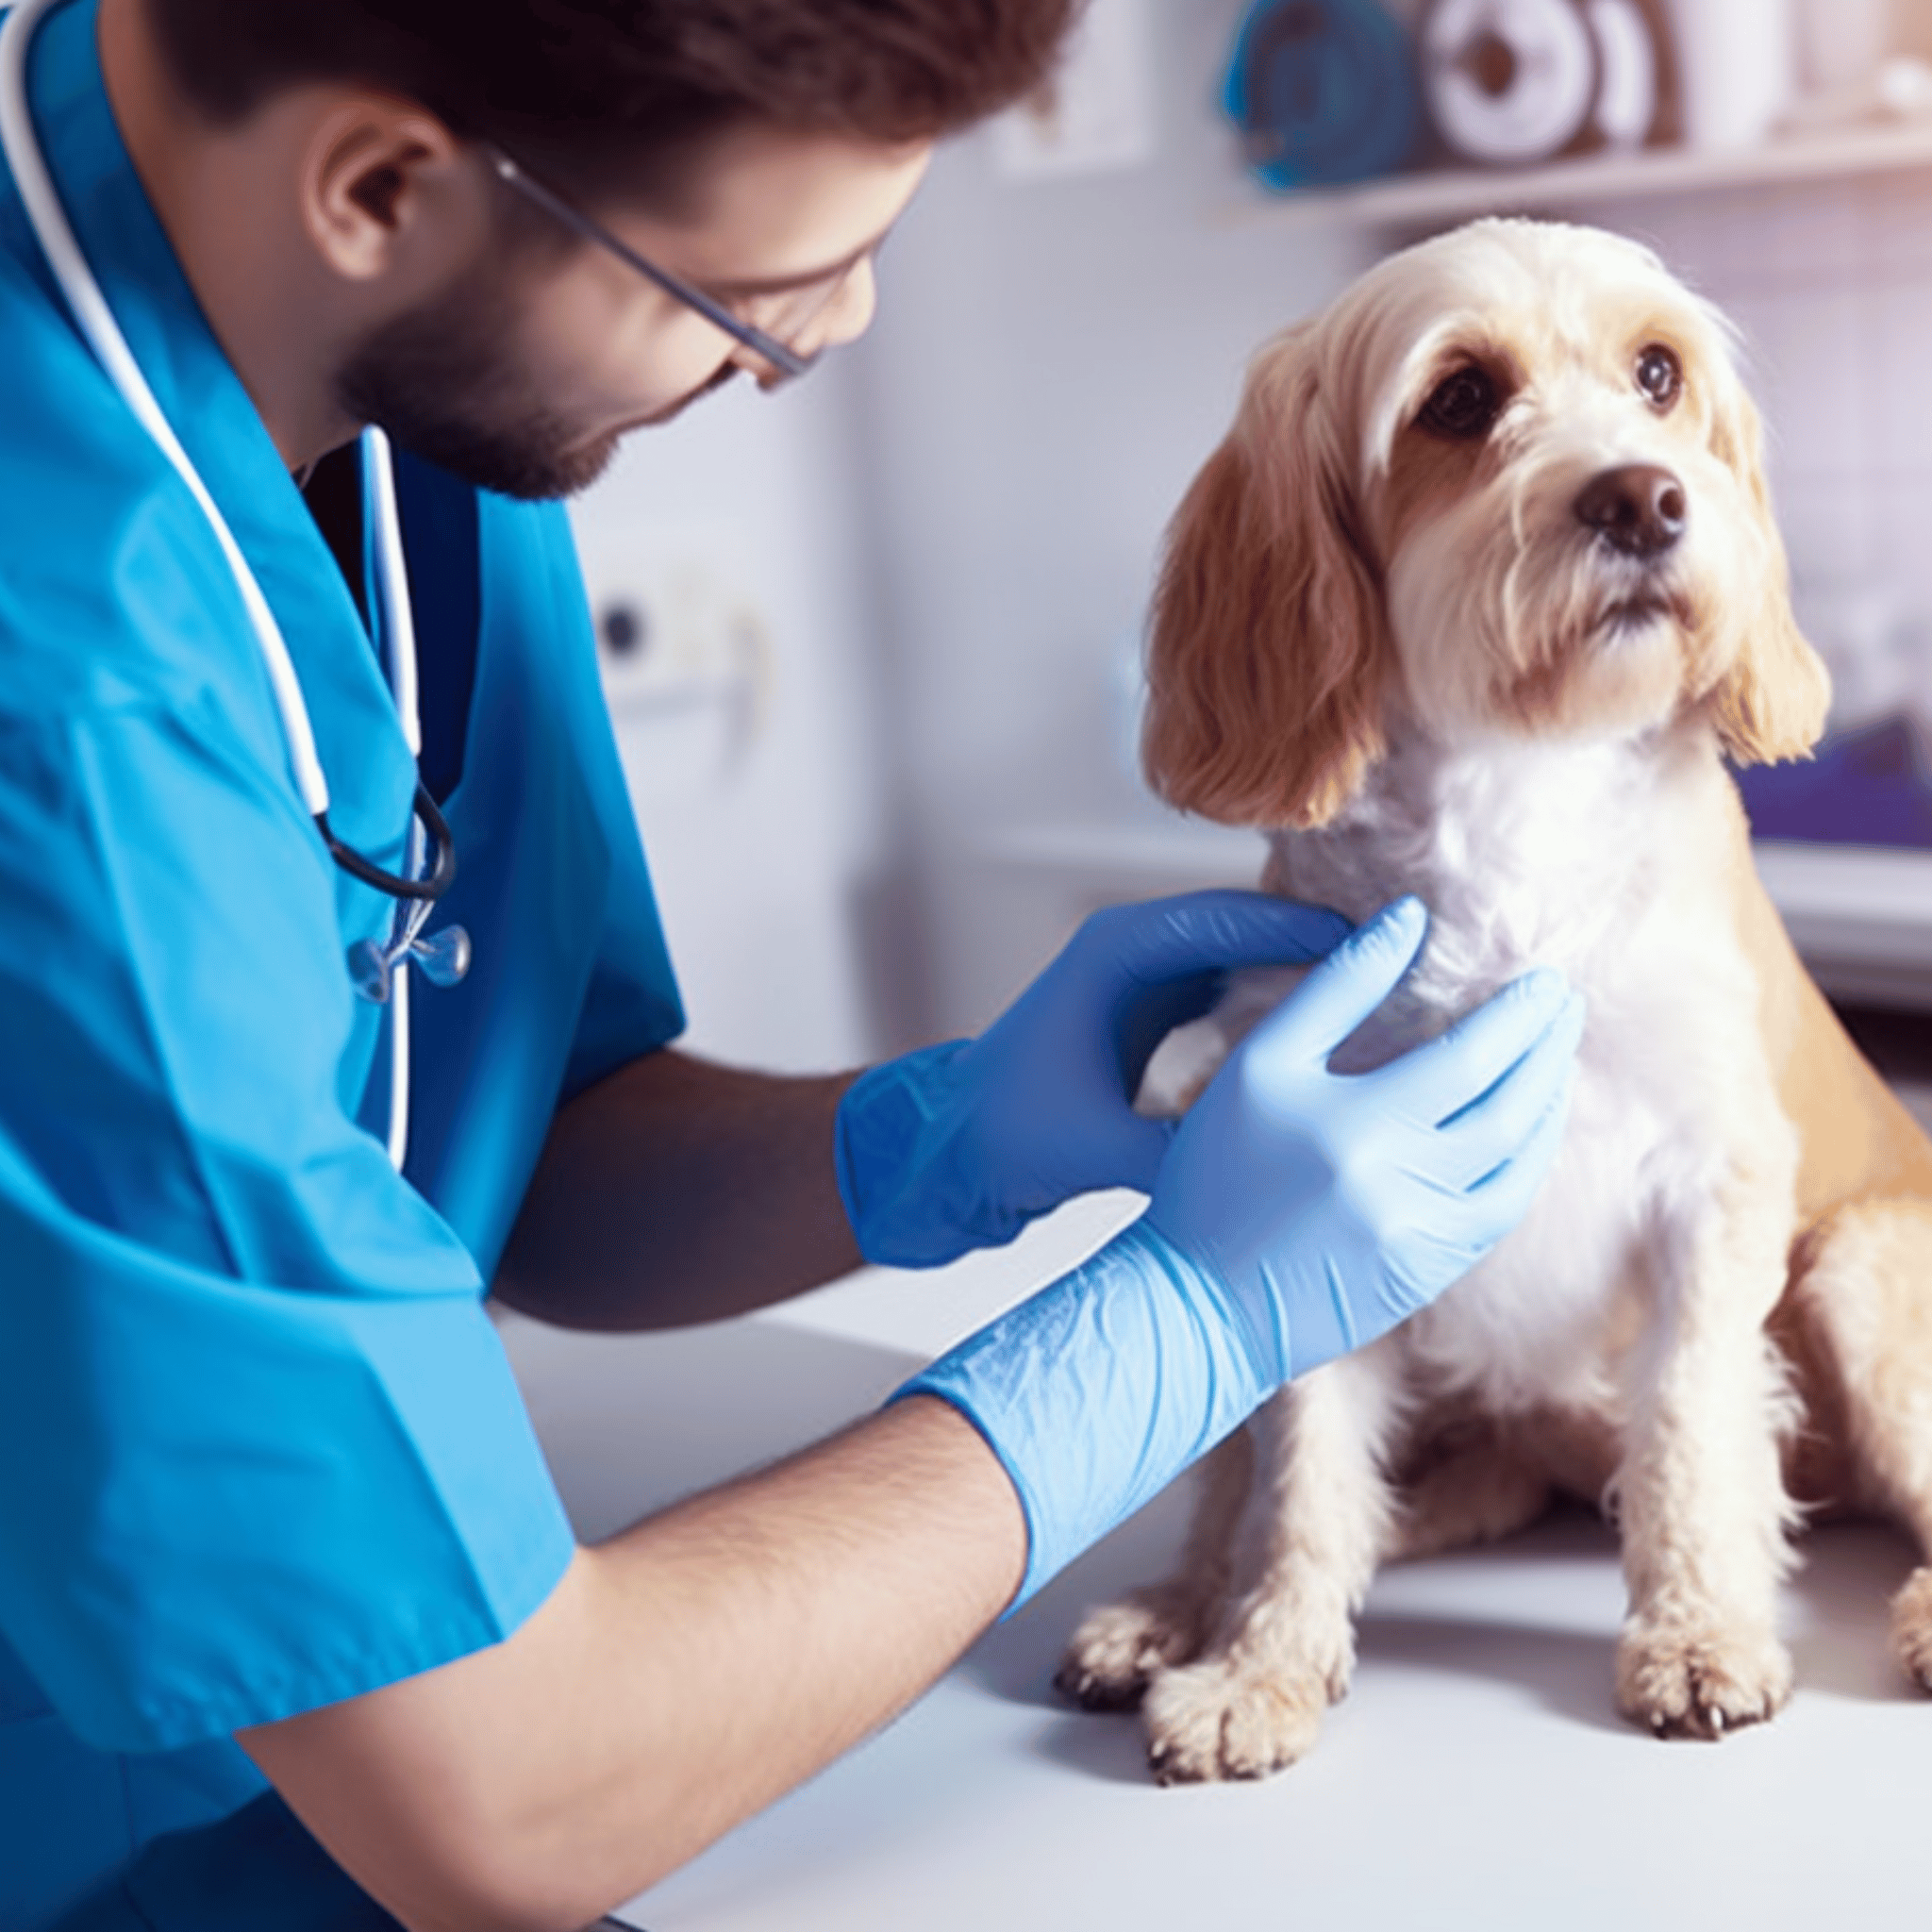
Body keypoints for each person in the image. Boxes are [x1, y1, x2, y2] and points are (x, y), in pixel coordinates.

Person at [0, 1, 1585, 1926]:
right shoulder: (62, 711)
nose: (826, 342)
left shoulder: (405, 403)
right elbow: (503, 1798)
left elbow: (511, 1138)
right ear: (382, 187)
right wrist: (1173, 1330)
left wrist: (931, 1136)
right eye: (756, 296)